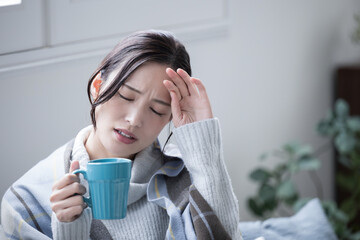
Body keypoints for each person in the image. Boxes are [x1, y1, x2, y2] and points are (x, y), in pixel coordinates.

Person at [1, 30, 242, 240]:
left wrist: (203, 143)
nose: (135, 120)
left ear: (170, 117)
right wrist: (68, 229)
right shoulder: (27, 200)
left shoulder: (186, 175)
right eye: (126, 96)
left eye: (157, 110)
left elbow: (226, 235)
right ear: (97, 88)